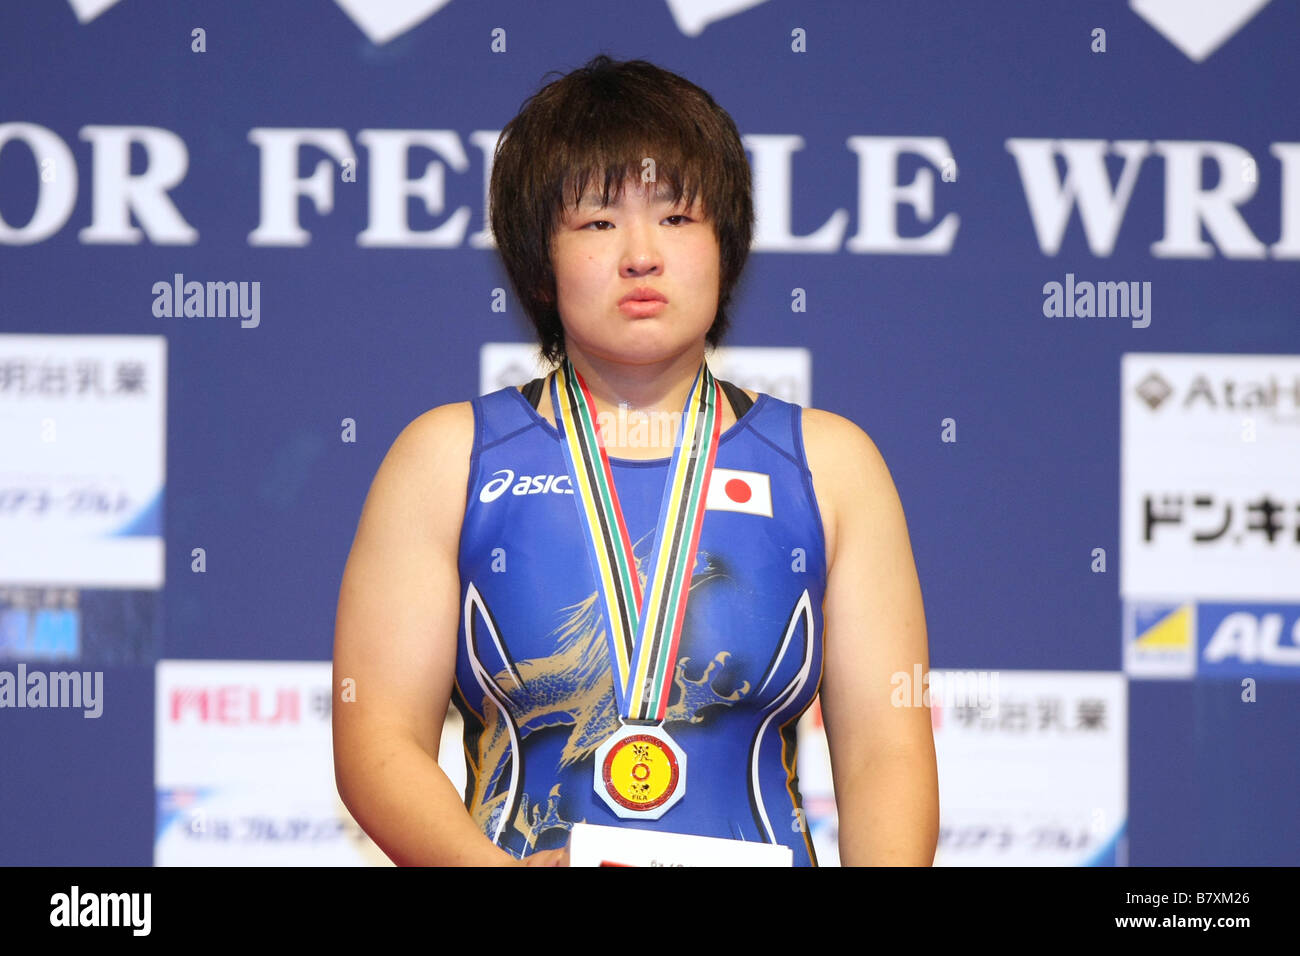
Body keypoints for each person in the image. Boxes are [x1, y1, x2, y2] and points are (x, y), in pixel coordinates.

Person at [332, 54, 938, 866]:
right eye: (597, 223)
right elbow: (377, 742)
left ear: (728, 247)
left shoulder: (831, 466)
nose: (641, 254)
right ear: (538, 263)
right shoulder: (448, 460)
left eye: (678, 219)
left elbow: (885, 757)